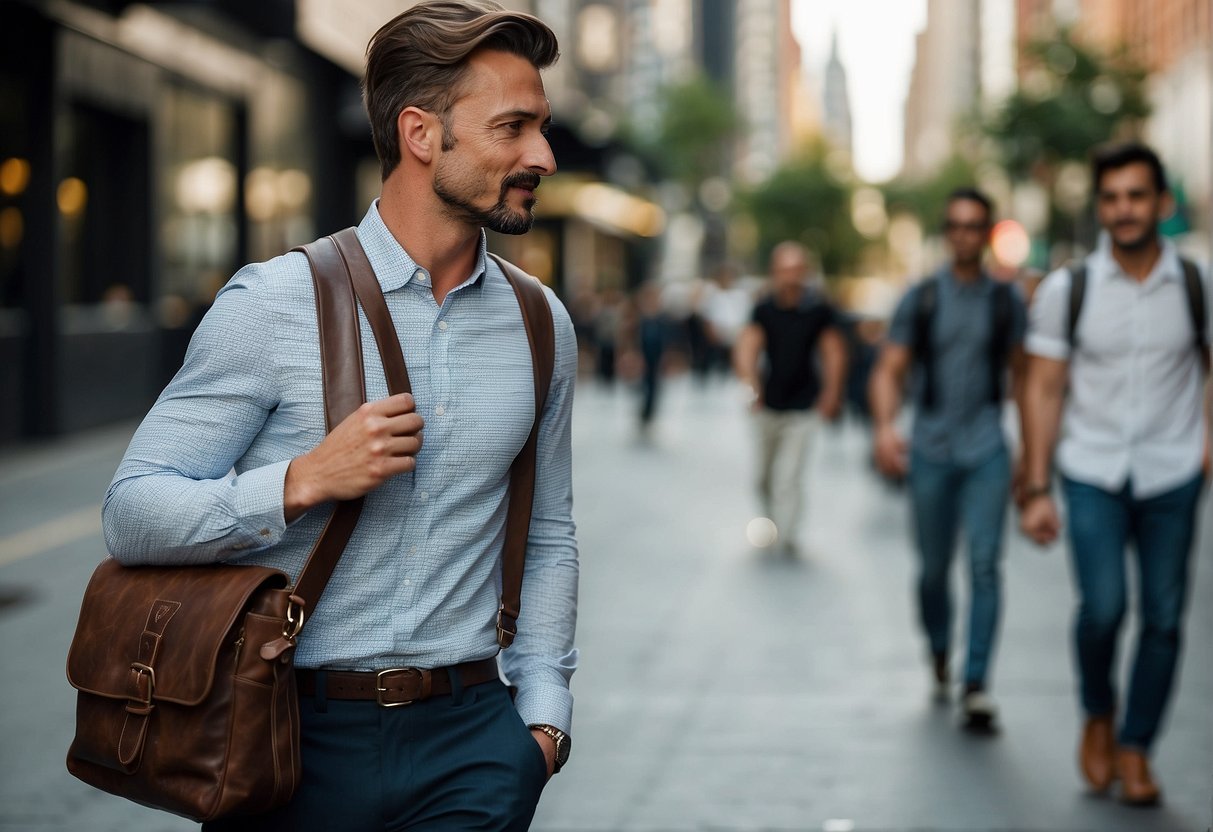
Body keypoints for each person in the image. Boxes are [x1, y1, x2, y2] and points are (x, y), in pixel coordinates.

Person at [101, 3, 579, 830]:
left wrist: (542, 722)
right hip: (287, 740)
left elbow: (547, 534)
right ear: (421, 134)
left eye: (542, 126)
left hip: (471, 744)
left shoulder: (542, 325)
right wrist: (301, 480)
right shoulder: (273, 302)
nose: (542, 154)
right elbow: (132, 512)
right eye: (513, 127)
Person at [1019, 142, 1210, 806]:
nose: (1123, 210)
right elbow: (1041, 390)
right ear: (1097, 206)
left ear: (1161, 203)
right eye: (1110, 198)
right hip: (1091, 469)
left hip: (1172, 471)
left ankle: (1135, 748)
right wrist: (1035, 486)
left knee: (1162, 619)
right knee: (1102, 610)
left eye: (1135, 196)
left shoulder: (1197, 284)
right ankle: (1097, 711)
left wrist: (1206, 444)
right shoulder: (1067, 290)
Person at [867, 187, 1027, 732]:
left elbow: (1028, 378)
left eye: (974, 226)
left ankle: (977, 681)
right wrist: (887, 429)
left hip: (987, 448)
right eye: (955, 225)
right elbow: (889, 369)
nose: (963, 235)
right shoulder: (922, 297)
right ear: (946, 232)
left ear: (987, 233)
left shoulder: (1007, 300)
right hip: (930, 449)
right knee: (934, 570)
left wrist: (1032, 452)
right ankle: (939, 648)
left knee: (984, 564)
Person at [733, 242, 847, 556]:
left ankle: (789, 535)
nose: (791, 277)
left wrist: (832, 393)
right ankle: (770, 522)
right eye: (785, 270)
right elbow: (747, 349)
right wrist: (750, 387)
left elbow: (833, 351)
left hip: (804, 406)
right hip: (767, 404)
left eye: (797, 270)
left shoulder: (819, 310)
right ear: (774, 272)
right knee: (763, 477)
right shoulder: (764, 309)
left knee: (790, 476)